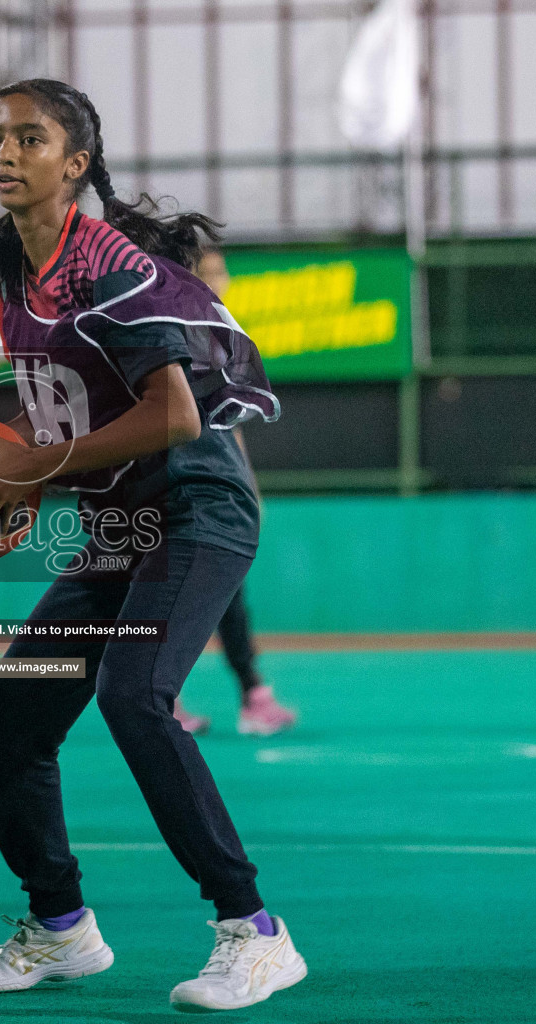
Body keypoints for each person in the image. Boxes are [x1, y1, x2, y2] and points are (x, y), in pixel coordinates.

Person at [0, 80, 306, 1013]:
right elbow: (67, 410)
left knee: (136, 697)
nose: (5, 152)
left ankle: (254, 933)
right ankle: (61, 930)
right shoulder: (12, 274)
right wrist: (3, 476)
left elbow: (175, 414)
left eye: (31, 138)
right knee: (8, 718)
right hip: (118, 524)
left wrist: (33, 466)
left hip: (199, 508)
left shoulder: (109, 263)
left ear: (78, 162)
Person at [170, 248, 297, 737]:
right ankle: (167, 696)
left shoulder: (217, 335)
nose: (222, 279)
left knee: (223, 594)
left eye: (222, 271)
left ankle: (246, 695)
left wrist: (248, 486)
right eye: (213, 272)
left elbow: (230, 423)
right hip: (182, 486)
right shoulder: (177, 333)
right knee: (169, 595)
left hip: (215, 488)